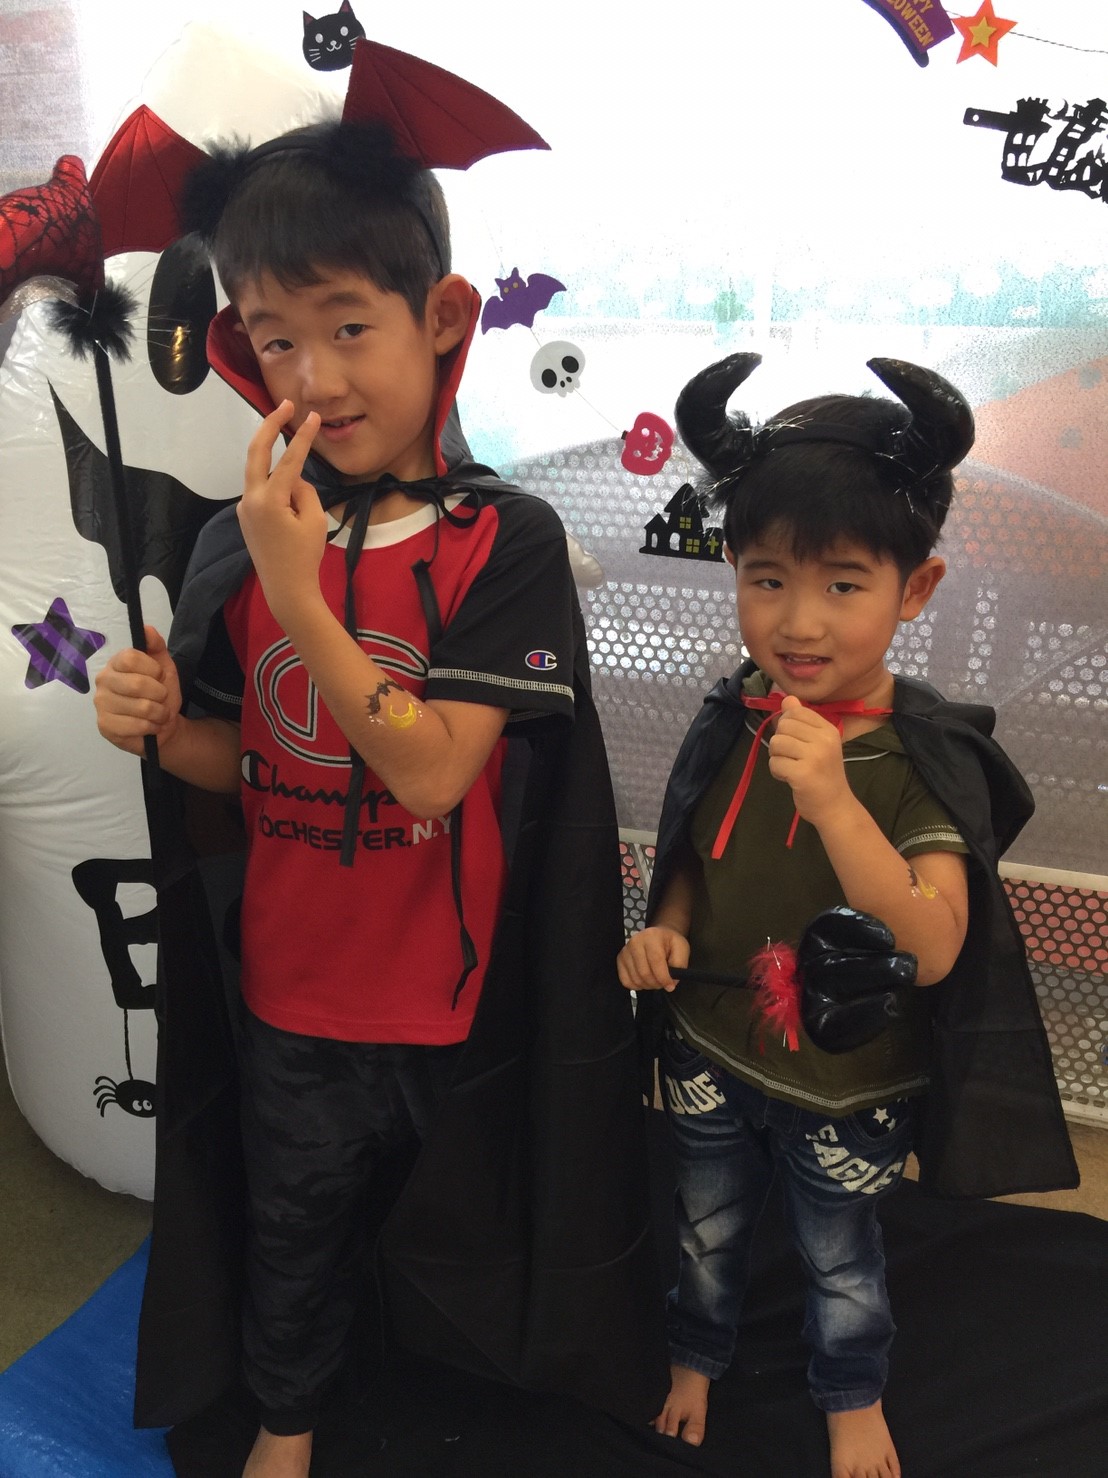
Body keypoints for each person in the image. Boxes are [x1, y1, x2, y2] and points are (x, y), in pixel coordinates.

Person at [94, 108, 666, 1478]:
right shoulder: (243, 541)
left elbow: (433, 768)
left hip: (456, 995)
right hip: (294, 986)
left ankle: (456, 1392)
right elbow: (245, 765)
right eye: (276, 337)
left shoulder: (501, 539)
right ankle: (287, 1421)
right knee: (293, 1222)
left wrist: (300, 592)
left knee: (460, 1220)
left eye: (349, 326)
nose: (316, 377)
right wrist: (161, 728)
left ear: (440, 317)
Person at [617, 352, 1078, 1478]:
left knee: (838, 1252)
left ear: (913, 589)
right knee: (704, 1224)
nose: (797, 621)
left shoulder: (919, 756)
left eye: (841, 584)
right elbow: (696, 856)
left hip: (850, 1081)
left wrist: (831, 799)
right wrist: (665, 923)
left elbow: (933, 944)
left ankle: (850, 1393)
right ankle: (695, 1352)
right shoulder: (734, 713)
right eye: (767, 578)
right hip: (713, 1048)